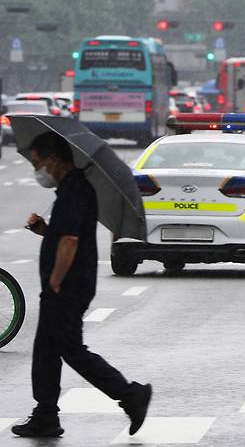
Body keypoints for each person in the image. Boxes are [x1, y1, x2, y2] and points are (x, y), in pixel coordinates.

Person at [12, 132, 151, 438]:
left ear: (53, 159)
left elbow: (71, 241)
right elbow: (63, 234)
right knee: (46, 349)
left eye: (38, 162)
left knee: (71, 349)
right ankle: (45, 414)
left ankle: (130, 395)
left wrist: (56, 282)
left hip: (68, 287)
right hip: (66, 286)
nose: (37, 170)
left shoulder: (75, 190)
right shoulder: (69, 189)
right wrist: (44, 230)